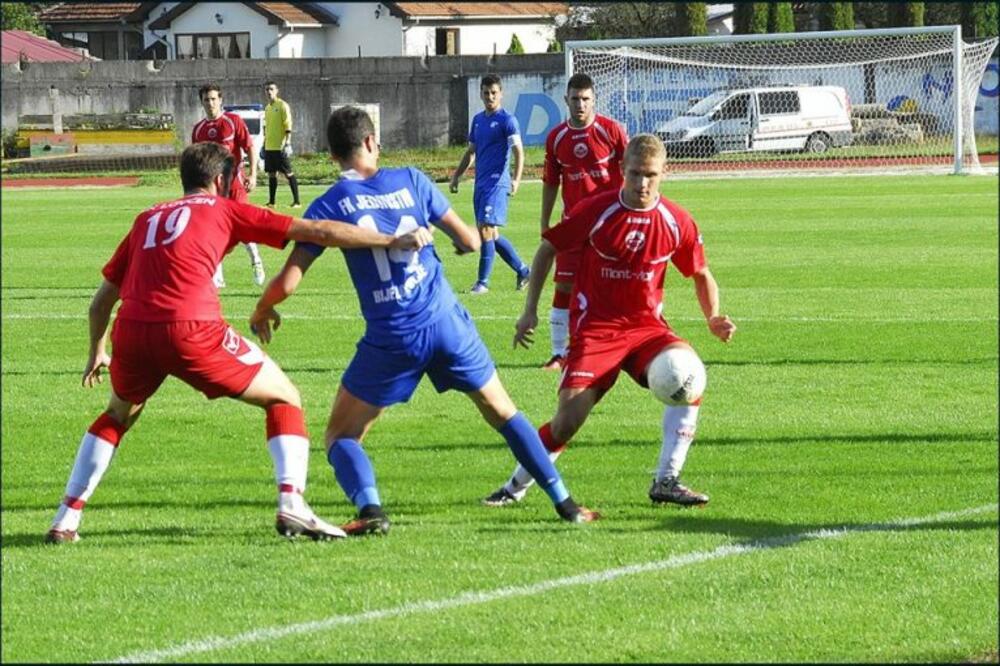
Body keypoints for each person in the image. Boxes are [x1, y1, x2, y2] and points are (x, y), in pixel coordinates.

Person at [45, 142, 432, 544]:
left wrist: (97, 351)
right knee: (285, 398)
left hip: (133, 330)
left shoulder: (146, 217)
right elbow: (316, 231)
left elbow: (101, 301)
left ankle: (65, 519)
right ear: (219, 180)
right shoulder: (224, 208)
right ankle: (292, 503)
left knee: (118, 413)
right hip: (191, 328)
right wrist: (388, 240)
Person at [251, 106, 599, 536]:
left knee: (341, 435)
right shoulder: (412, 179)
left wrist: (262, 308)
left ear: (333, 154)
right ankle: (565, 502)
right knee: (504, 412)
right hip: (445, 322)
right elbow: (470, 241)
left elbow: (288, 281)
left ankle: (372, 509)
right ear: (372, 142)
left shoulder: (330, 204)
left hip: (393, 335)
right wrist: (455, 244)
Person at [482, 134, 737, 509]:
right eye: (634, 174)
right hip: (596, 330)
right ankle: (513, 487)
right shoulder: (596, 210)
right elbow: (547, 249)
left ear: (665, 173)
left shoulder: (676, 220)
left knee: (690, 375)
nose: (642, 183)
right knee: (567, 422)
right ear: (622, 171)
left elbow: (700, 273)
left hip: (647, 330)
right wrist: (530, 309)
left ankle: (667, 479)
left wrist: (713, 316)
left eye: (650, 175)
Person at [538, 73, 629, 370]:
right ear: (566, 100)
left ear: (594, 100)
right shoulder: (556, 138)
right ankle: (558, 353)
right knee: (564, 286)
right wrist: (545, 221)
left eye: (586, 99)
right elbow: (551, 182)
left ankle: (617, 347)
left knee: (617, 287)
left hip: (610, 225)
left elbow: (632, 171)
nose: (580, 104)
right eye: (575, 99)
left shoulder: (611, 131)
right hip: (574, 225)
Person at [449, 74, 530, 295]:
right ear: (481, 94)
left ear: (501, 94)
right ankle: (523, 270)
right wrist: (457, 176)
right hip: (480, 185)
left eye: (494, 92)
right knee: (490, 234)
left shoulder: (508, 121)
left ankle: (482, 283)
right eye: (486, 93)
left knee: (485, 230)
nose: (490, 97)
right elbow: (471, 152)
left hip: (497, 184)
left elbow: (518, 152)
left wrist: (516, 179)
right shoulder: (478, 120)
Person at [192, 82, 266, 288]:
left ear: (221, 100)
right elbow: (196, 161)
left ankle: (256, 261)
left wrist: (253, 174)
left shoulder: (233, 121)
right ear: (202, 102)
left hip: (234, 185)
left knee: (242, 226)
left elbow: (249, 147)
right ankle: (217, 275)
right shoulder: (198, 130)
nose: (210, 103)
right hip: (212, 188)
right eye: (206, 99)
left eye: (214, 99)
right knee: (213, 229)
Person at [262, 80, 302, 209]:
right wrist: (264, 145)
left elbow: (288, 124)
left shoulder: (283, 105)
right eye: (267, 89)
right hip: (269, 147)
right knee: (272, 174)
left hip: (280, 147)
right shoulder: (267, 108)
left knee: (288, 173)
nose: (269, 92)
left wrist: (288, 143)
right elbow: (267, 128)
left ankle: (297, 202)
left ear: (277, 91)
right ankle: (272, 202)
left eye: (271, 89)